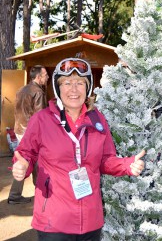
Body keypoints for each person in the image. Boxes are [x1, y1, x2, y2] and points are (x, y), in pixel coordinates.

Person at [11, 58, 145, 240]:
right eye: (67, 82)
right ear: (58, 87)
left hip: (90, 219)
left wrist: (127, 165)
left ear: (87, 87)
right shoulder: (41, 120)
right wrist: (23, 166)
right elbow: (26, 153)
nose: (73, 89)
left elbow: (106, 160)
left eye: (80, 83)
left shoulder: (97, 119)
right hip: (54, 221)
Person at [8, 65, 49, 204]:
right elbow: (41, 117)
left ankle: (15, 196)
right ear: (38, 77)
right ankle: (41, 195)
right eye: (45, 75)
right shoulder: (38, 92)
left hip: (19, 129)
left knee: (22, 161)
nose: (47, 77)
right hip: (30, 132)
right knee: (37, 162)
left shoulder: (21, 89)